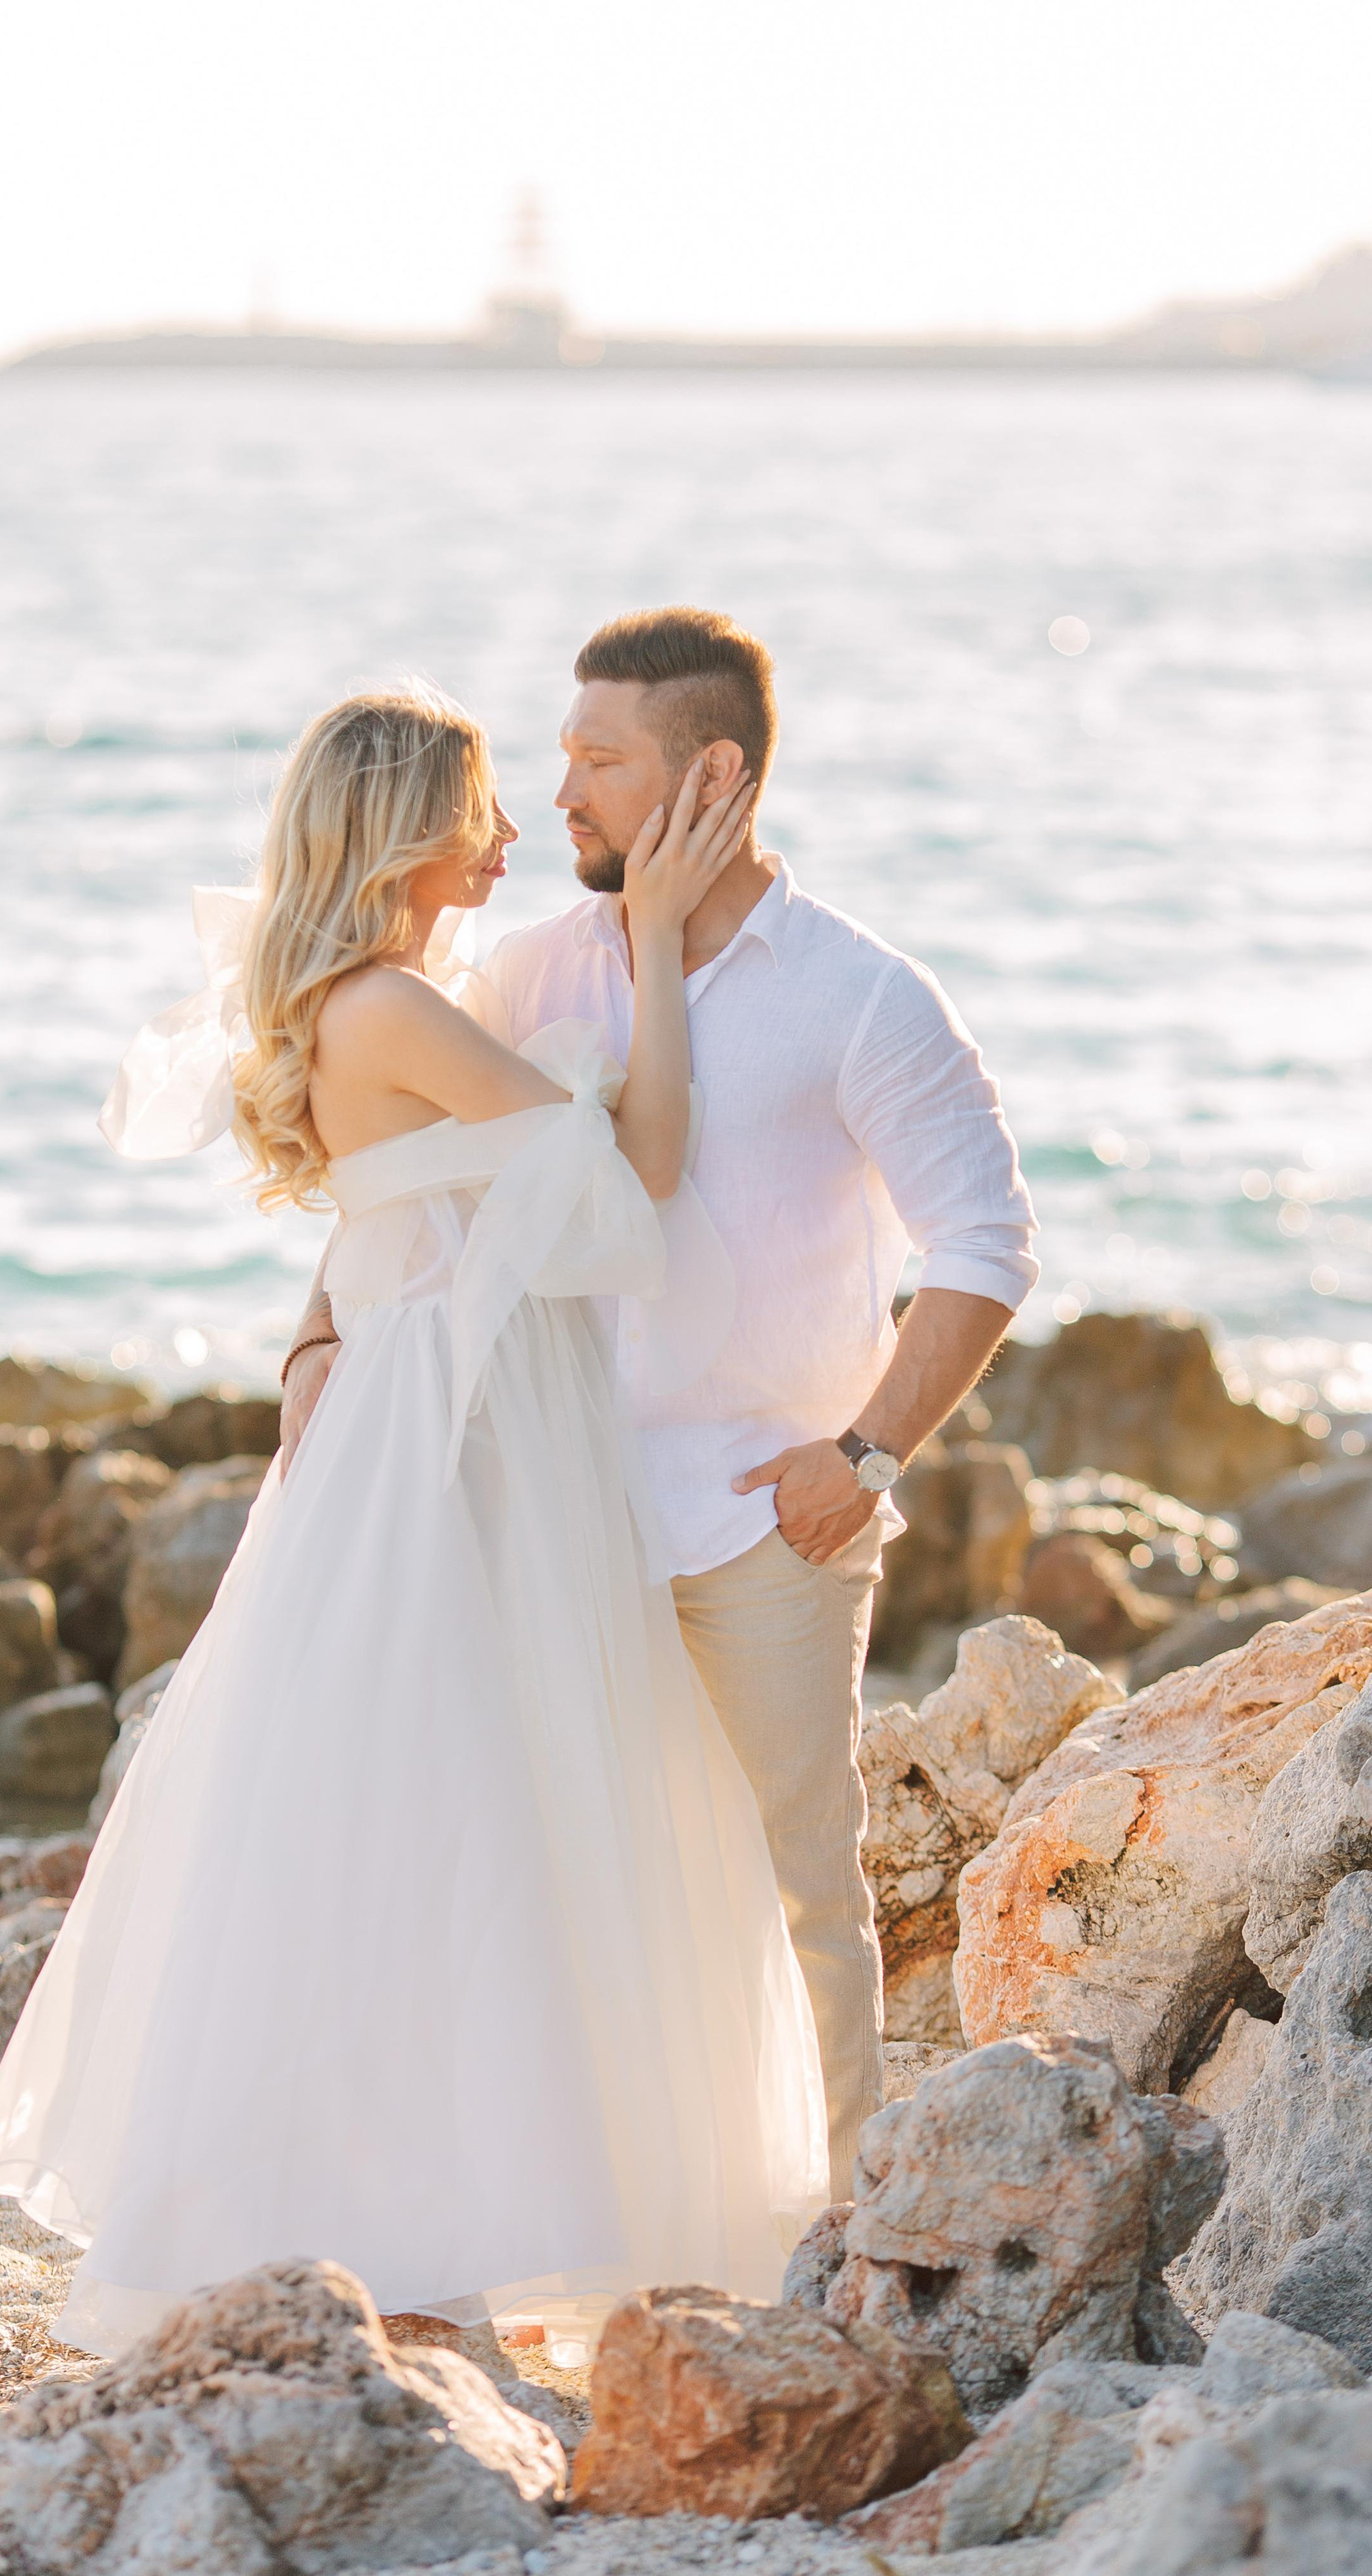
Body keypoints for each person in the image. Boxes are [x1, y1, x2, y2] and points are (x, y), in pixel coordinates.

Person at [0, 684, 829, 2356]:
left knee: (445, 1812)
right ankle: (403, 2239)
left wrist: (311, 1331)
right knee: (446, 1819)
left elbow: (416, 1222)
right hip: (455, 1443)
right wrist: (651, 937)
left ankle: (434, 2232)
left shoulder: (386, 998)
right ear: (410, 831)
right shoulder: (385, 1008)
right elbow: (640, 1165)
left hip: (446, 1420)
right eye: (484, 806)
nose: (513, 834)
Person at [280, 612, 1040, 2196]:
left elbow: (983, 1248)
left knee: (794, 1890)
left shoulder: (860, 996)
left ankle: (841, 2232)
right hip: (545, 1506)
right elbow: (405, 1195)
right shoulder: (520, 969)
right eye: (558, 755)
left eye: (596, 760)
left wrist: (866, 1452)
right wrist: (310, 1351)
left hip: (767, 1514)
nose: (558, 791)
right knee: (562, 1888)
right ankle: (629, 2217)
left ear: (711, 774)